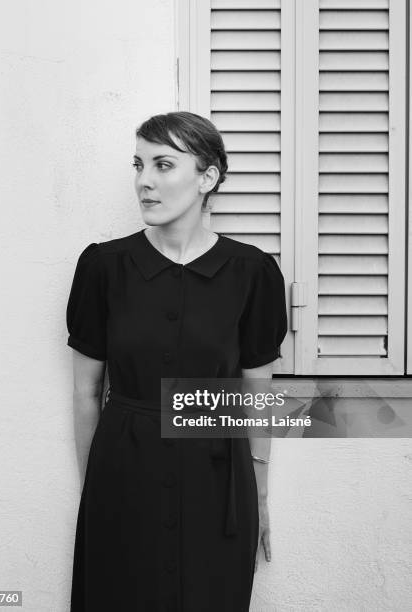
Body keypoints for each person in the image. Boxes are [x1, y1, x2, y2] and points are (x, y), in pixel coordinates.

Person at [66, 111, 288, 612]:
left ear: (207, 177)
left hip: (217, 479)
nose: (144, 181)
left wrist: (259, 495)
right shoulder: (104, 267)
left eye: (163, 165)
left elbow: (256, 395)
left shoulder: (251, 272)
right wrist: (97, 493)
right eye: (138, 165)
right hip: (124, 472)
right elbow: (85, 393)